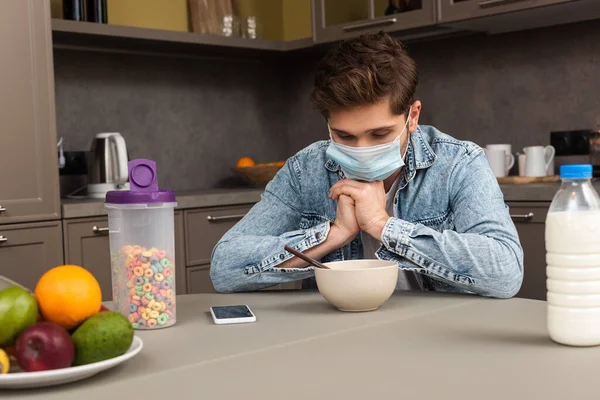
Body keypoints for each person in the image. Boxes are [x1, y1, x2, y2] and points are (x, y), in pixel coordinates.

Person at [210, 32, 523, 298]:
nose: (363, 150)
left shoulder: (459, 163)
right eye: (344, 135)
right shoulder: (304, 170)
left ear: (412, 116)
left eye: (380, 134)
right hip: (336, 341)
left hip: (435, 339)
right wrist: (333, 234)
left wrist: (384, 227)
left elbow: (506, 271)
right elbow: (224, 269)